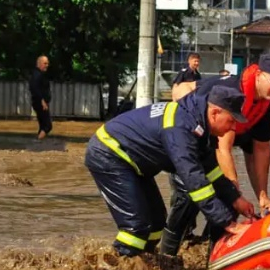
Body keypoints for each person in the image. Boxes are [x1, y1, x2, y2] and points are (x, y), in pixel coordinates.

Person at [84, 85, 255, 257]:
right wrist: (229, 224)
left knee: (156, 223)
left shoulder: (199, 124)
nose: (234, 128)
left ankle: (144, 264)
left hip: (133, 162)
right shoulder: (181, 128)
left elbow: (211, 172)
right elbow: (195, 183)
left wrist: (236, 199)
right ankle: (111, 268)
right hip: (109, 154)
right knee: (135, 228)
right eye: (231, 121)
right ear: (215, 113)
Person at [160, 53, 270, 256]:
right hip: (187, 139)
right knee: (188, 199)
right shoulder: (233, 94)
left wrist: (262, 195)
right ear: (259, 75)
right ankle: (167, 254)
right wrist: (234, 192)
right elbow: (223, 148)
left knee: (227, 203)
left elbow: (260, 150)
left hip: (211, 142)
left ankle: (211, 253)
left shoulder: (265, 104)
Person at [30, 55, 52, 139]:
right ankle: (38, 140)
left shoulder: (39, 74)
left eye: (47, 63)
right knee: (47, 126)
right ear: (39, 63)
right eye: (45, 63)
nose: (47, 65)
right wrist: (42, 100)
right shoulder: (37, 75)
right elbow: (34, 88)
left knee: (43, 125)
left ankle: (39, 142)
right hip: (40, 103)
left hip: (41, 102)